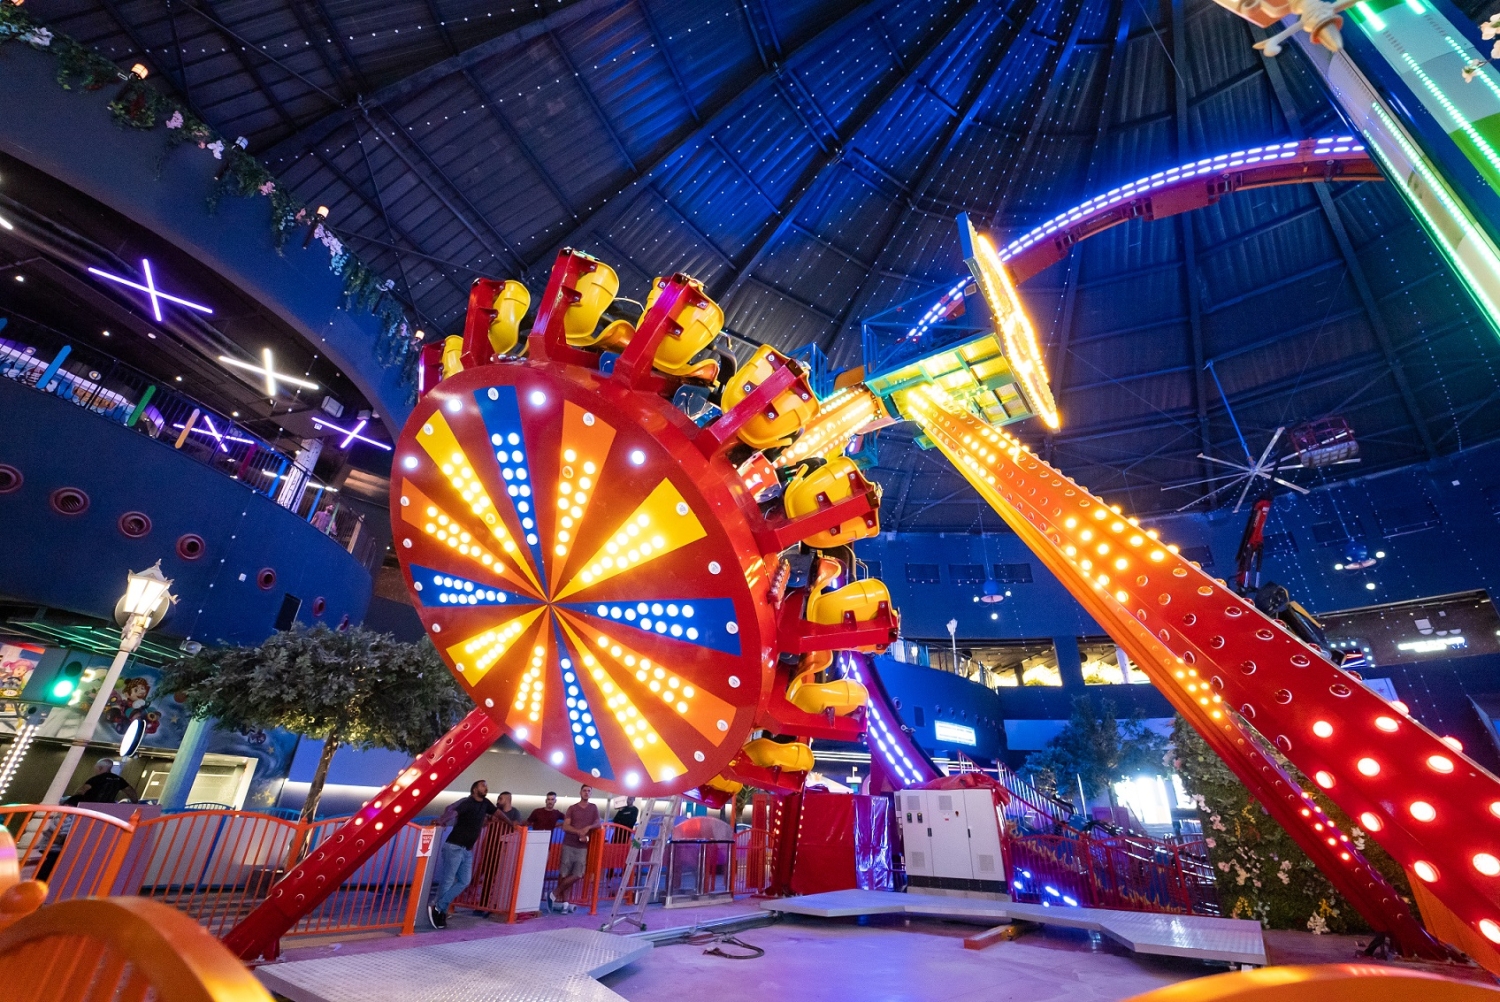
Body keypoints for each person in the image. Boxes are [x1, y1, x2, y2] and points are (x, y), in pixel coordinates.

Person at [429, 780, 494, 929]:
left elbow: (496, 813)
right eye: (483, 785)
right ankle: (440, 911)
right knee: (448, 880)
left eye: (486, 785)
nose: (486, 787)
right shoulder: (467, 802)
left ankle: (439, 906)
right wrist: (442, 819)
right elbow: (451, 809)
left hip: (466, 849)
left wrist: (511, 823)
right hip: (455, 845)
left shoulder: (485, 804)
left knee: (464, 881)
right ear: (474, 789)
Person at [550, 784, 601, 913]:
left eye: (589, 791)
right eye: (584, 790)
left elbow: (598, 823)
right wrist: (579, 832)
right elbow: (565, 826)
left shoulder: (593, 808)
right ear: (580, 792)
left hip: (582, 846)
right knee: (565, 873)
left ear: (591, 793)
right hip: (569, 843)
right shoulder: (572, 808)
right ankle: (565, 904)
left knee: (578, 874)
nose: (586, 793)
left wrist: (588, 828)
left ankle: (554, 893)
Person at [63, 758, 136, 805]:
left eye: (96, 768)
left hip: (89, 806)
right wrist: (135, 802)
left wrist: (71, 801)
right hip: (106, 807)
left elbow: (82, 791)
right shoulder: (119, 779)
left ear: (100, 768)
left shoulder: (96, 779)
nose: (95, 770)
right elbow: (130, 791)